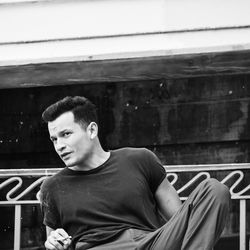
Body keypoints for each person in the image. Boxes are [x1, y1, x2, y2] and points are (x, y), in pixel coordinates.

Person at [40, 96, 230, 250]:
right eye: (54, 139)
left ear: (91, 130)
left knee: (214, 189)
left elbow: (182, 221)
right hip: (97, 246)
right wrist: (53, 242)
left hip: (152, 243)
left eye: (66, 134)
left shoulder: (139, 159)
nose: (59, 146)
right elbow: (54, 242)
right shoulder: (52, 187)